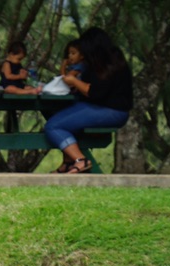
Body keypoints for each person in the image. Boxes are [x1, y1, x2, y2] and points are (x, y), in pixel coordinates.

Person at [46, 27, 131, 174]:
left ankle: (80, 160)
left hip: (112, 111)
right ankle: (68, 162)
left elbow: (95, 92)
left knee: (53, 126)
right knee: (62, 115)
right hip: (105, 108)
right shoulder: (108, 59)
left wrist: (73, 81)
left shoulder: (107, 63)